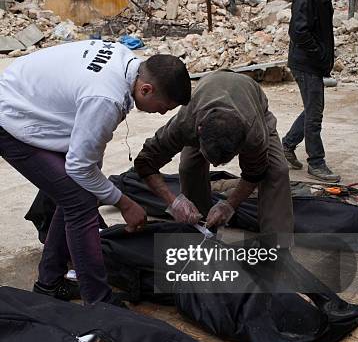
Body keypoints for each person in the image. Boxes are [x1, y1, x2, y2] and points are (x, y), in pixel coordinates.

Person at [0, 40, 191, 305]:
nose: (161, 113)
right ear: (146, 89)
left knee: (74, 195)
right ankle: (99, 304)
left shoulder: (126, 61)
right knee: (80, 201)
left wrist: (98, 181)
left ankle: (49, 284)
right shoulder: (106, 98)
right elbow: (79, 166)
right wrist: (124, 203)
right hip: (11, 117)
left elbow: (88, 154)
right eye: (164, 107)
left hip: (27, 96)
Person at [134, 70, 293, 247]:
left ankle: (278, 248)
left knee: (277, 171)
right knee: (188, 167)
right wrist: (174, 202)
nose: (216, 165)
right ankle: (199, 229)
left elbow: (254, 174)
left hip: (253, 104)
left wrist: (229, 205)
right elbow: (145, 162)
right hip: (206, 98)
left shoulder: (254, 133)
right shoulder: (185, 123)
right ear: (199, 131)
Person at [282, 0, 347, 183]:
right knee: (315, 115)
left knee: (312, 109)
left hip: (313, 63)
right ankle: (316, 163)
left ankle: (287, 146)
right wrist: (319, 56)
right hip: (306, 63)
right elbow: (298, 32)